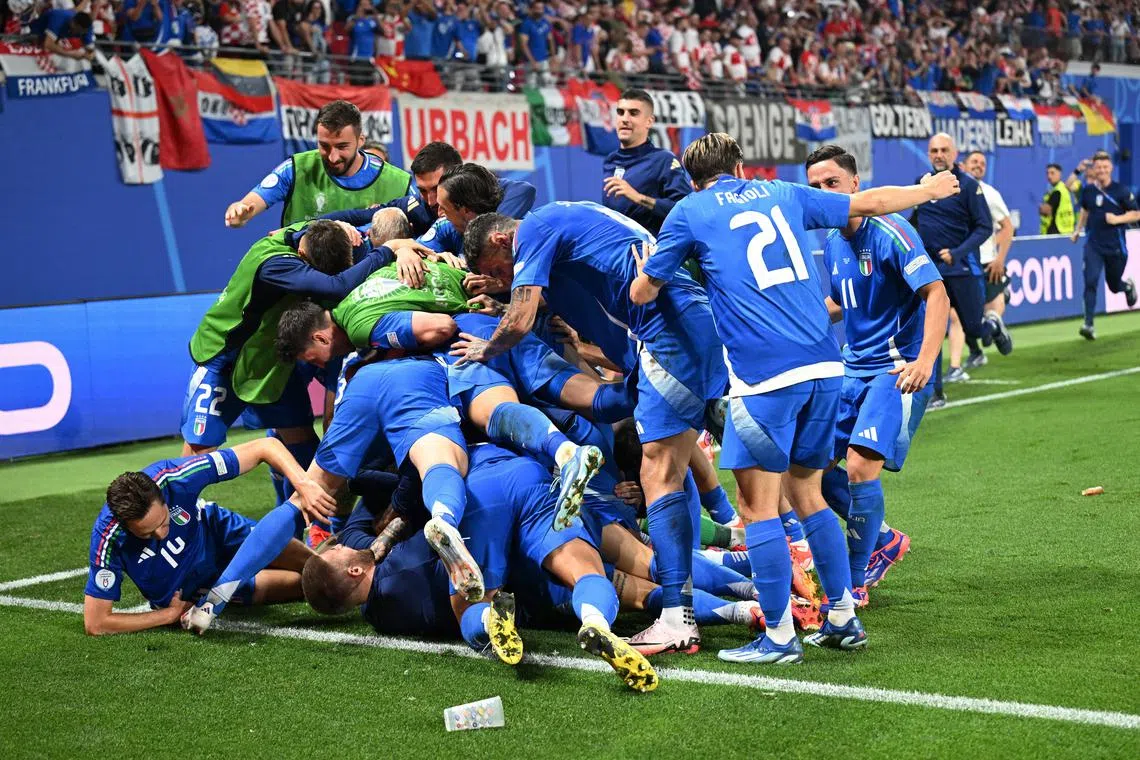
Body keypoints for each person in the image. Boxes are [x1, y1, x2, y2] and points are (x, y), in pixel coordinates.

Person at [630, 132, 960, 664]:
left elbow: (643, 290)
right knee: (808, 491)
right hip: (828, 366)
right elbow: (871, 201)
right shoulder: (782, 192)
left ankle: (779, 635)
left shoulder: (689, 211)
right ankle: (843, 615)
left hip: (765, 379)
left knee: (757, 506)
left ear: (693, 180)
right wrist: (930, 190)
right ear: (739, 167)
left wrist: (657, 275)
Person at [460, 202, 726, 656]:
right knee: (743, 451)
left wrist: (489, 346)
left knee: (659, 474)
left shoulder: (536, 228)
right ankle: (792, 573)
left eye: (500, 270)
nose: (504, 281)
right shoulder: (568, 226)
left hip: (663, 335)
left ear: (505, 241)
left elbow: (522, 318)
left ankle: (678, 617)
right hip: (678, 329)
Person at [306, 442, 660, 691]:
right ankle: (598, 621)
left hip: (506, 573)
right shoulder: (369, 547)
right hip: (506, 481)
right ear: (351, 571)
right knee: (594, 573)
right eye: (334, 551)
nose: (336, 543)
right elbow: (387, 483)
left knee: (472, 610)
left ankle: (491, 620)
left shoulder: (381, 618)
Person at [181, 219, 424, 504]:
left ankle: (313, 529)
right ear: (303, 259)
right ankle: (170, 525)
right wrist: (389, 249)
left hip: (274, 361)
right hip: (224, 359)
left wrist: (402, 250)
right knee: (197, 457)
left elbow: (353, 219)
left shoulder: (315, 233)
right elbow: (335, 287)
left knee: (305, 449)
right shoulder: (275, 264)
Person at [805, 144, 949, 603]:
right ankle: (883, 539)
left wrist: (925, 361)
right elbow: (842, 302)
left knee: (861, 467)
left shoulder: (892, 231)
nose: (825, 193)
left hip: (896, 369)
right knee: (813, 469)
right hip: (851, 368)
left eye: (832, 183)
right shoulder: (830, 242)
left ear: (854, 185)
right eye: (815, 187)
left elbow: (936, 294)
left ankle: (852, 584)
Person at [83, 438, 329, 635]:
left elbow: (265, 447)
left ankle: (340, 558)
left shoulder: (177, 476)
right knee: (306, 588)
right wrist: (167, 615)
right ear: (125, 527)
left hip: (218, 531)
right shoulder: (108, 539)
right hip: (193, 587)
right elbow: (97, 623)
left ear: (164, 497)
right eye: (147, 533)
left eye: (163, 521)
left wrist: (304, 484)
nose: (160, 534)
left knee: (323, 572)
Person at [911, 133, 1011, 408]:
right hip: (932, 273)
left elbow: (984, 227)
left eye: (944, 150)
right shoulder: (921, 185)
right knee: (932, 331)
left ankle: (992, 324)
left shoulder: (968, 186)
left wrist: (956, 253)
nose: (939, 154)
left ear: (955, 154)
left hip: (964, 269)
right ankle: (936, 392)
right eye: (934, 150)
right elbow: (914, 221)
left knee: (974, 331)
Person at [224, 100, 412, 228]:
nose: (332, 157)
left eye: (342, 146)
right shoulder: (296, 168)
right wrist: (240, 213)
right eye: (324, 146)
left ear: (360, 140)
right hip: (299, 270)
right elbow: (249, 205)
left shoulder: (400, 183)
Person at [950, 151, 1014, 373]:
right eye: (974, 162)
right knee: (957, 316)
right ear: (963, 165)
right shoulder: (949, 192)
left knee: (973, 316)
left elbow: (1007, 227)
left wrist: (999, 258)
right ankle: (961, 363)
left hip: (984, 263)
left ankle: (990, 327)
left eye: (983, 163)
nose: (979, 165)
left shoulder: (989, 194)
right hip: (958, 263)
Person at [601, 89, 691, 237]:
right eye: (620, 112)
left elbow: (686, 210)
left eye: (634, 113)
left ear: (649, 121)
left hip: (649, 253)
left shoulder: (663, 160)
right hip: (616, 250)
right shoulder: (610, 160)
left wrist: (639, 198)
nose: (625, 118)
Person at [1071, 152, 1139, 340]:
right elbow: (1085, 209)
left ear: (1110, 169)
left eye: (1104, 167)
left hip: (1116, 246)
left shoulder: (1121, 191)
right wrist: (1077, 230)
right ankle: (1088, 324)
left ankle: (1126, 287)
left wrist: (1117, 219)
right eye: (1098, 167)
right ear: (1094, 169)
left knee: (1113, 285)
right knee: (1090, 281)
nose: (1101, 170)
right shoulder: (1089, 191)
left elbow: (1136, 214)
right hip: (1094, 245)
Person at [420, 163, 537, 258]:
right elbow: (416, 251)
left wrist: (501, 283)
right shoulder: (445, 226)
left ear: (466, 210)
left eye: (444, 208)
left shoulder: (523, 236)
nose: (439, 213)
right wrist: (405, 250)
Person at [1039, 162, 1077, 235]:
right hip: (1068, 230)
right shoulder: (1064, 189)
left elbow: (1046, 211)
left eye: (1052, 173)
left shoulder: (1057, 191)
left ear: (1060, 173)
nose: (1049, 176)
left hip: (1056, 231)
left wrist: (1041, 208)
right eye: (1047, 173)